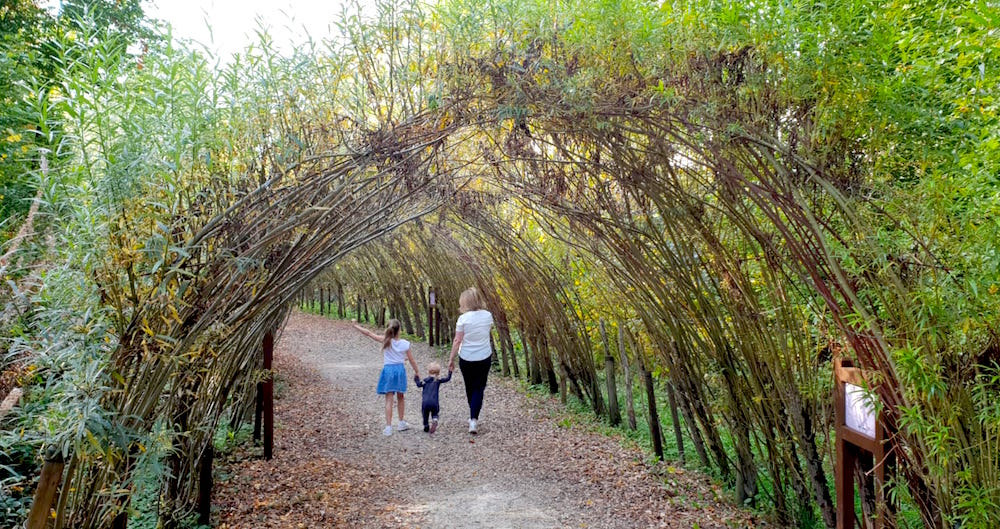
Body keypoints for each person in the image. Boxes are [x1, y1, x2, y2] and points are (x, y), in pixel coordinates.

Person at [354, 319, 420, 436]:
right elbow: (411, 359)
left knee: (389, 399)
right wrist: (417, 371)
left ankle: (388, 427)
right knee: (401, 397)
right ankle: (401, 423)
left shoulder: (386, 341)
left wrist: (356, 326)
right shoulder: (405, 343)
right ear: (399, 330)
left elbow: (368, 333)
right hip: (400, 371)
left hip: (388, 370)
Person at [447, 287, 494, 434]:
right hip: (484, 357)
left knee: (470, 387)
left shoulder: (463, 319)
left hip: (466, 357)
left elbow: (457, 341)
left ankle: (472, 416)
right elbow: (487, 331)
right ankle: (473, 419)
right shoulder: (488, 316)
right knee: (479, 388)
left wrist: (451, 359)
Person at [414, 362, 453, 433]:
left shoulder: (425, 381)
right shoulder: (438, 380)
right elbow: (447, 378)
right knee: (435, 412)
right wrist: (450, 372)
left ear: (428, 372)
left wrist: (416, 378)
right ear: (438, 373)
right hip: (434, 402)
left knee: (425, 414)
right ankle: (435, 419)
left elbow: (418, 384)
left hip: (425, 402)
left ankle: (426, 425)